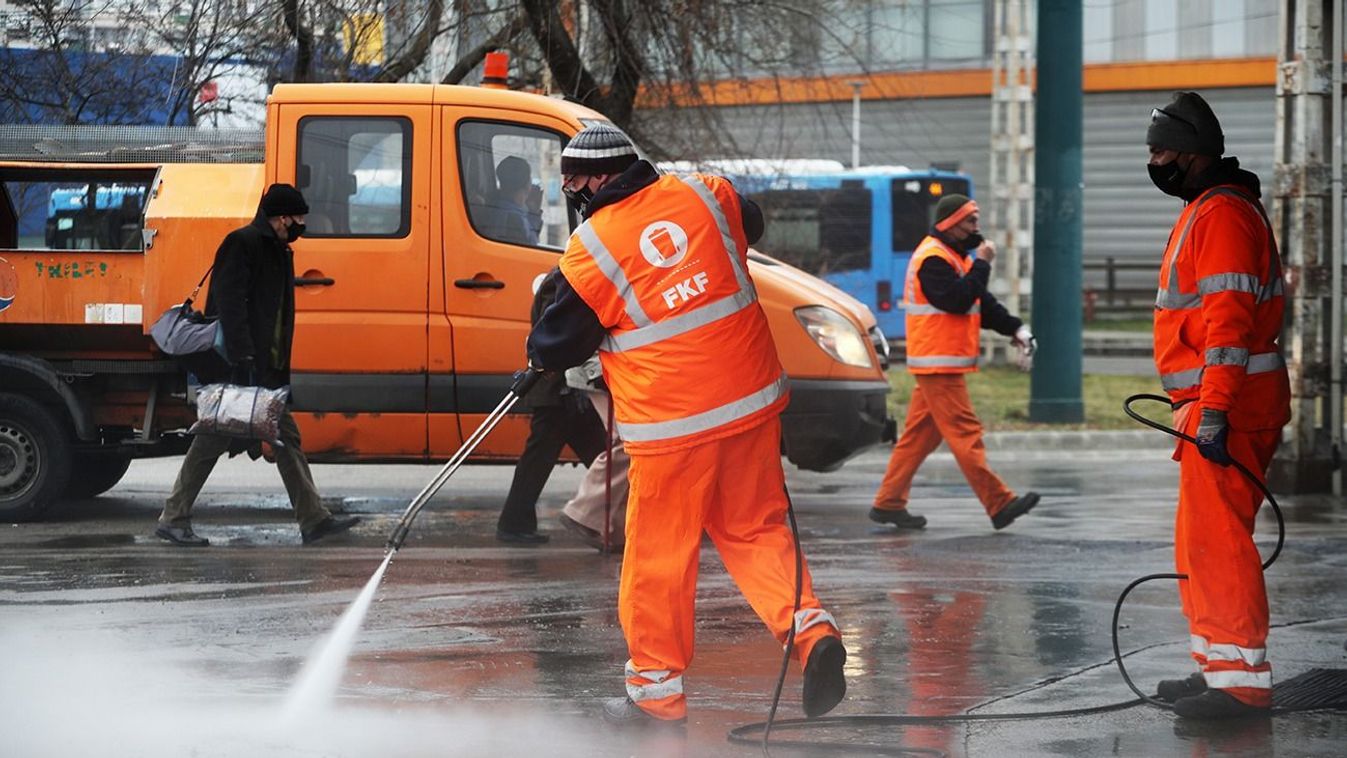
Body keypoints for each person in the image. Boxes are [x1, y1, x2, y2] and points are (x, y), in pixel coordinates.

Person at [528, 123, 846, 726]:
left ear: (598, 178)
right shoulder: (706, 193)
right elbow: (748, 222)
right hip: (750, 405)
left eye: (574, 184)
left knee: (659, 555)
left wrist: (538, 352)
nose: (573, 195)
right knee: (756, 530)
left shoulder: (593, 246)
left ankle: (655, 695)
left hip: (673, 426)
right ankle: (811, 633)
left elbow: (557, 341)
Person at [1144, 91, 1290, 720]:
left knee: (1222, 544)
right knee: (1200, 545)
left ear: (1193, 153)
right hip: (1212, 406)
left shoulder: (1224, 215)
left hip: (1225, 408)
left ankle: (1242, 684)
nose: (1154, 162)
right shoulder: (1208, 208)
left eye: (1161, 151)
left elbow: (1228, 326)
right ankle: (1218, 666)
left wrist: (1214, 410)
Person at [154, 184, 360, 547]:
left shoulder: (279, 250)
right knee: (211, 440)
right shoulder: (243, 243)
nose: (301, 225)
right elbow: (228, 303)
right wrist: (243, 356)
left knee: (283, 439)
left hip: (265, 367)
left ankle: (313, 519)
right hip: (241, 366)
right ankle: (174, 516)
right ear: (280, 217)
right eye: (297, 218)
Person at [868, 193, 1040, 532]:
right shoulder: (934, 259)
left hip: (939, 363)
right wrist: (984, 263)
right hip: (938, 364)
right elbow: (958, 301)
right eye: (970, 220)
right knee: (965, 433)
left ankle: (888, 503)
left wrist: (1016, 328)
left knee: (918, 438)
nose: (977, 227)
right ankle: (999, 503)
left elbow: (982, 303)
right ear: (950, 223)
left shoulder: (953, 257)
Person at [495, 268, 609, 543]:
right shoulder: (560, 282)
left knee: (602, 455)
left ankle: (604, 519)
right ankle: (517, 523)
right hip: (557, 388)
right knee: (598, 456)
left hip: (563, 388)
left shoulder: (559, 280)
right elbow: (559, 336)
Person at [557, 361, 630, 552]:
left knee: (626, 442)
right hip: (602, 372)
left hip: (606, 371)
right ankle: (584, 512)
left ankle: (613, 530)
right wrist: (597, 372)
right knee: (628, 441)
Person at [479, 155, 543, 245]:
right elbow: (531, 246)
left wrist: (533, 211)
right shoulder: (513, 218)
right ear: (527, 185)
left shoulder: (496, 208)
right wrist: (535, 214)